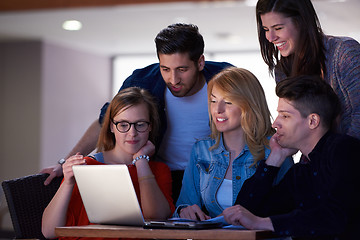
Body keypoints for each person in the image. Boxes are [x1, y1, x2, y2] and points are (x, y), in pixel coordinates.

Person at [41, 23, 233, 202]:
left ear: (200, 63)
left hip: (214, 176)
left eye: (182, 69)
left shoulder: (227, 79)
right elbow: (105, 122)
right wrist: (65, 162)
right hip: (161, 175)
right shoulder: (142, 81)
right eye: (165, 69)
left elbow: (251, 123)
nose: (173, 79)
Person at [222, 75, 360, 239]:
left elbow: (336, 217)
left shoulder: (345, 150)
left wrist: (262, 223)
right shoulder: (300, 173)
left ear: (312, 121)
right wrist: (275, 158)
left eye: (285, 116)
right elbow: (244, 211)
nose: (275, 124)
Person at [42, 87, 175, 239]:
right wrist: (68, 183)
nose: (132, 133)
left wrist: (141, 161)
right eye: (123, 125)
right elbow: (49, 232)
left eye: (140, 124)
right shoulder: (85, 166)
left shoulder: (159, 171)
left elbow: (156, 217)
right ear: (112, 127)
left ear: (150, 126)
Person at [173, 67, 293, 221]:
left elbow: (289, 211)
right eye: (213, 101)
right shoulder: (201, 150)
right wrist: (184, 210)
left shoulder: (275, 149)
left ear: (249, 105)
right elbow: (183, 204)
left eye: (228, 102)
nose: (218, 110)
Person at [255, 0, 360, 140]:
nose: (270, 37)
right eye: (266, 30)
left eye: (278, 28)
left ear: (302, 22)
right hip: (319, 158)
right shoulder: (282, 71)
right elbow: (301, 128)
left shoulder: (344, 53)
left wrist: (339, 157)